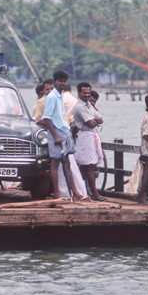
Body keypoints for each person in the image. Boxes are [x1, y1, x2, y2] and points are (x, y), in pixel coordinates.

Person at [40, 70, 85, 200]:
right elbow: (47, 118)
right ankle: (57, 194)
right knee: (55, 163)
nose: (62, 83)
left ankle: (75, 193)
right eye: (59, 81)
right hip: (56, 132)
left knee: (67, 163)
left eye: (64, 81)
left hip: (64, 131)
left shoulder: (60, 96)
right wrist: (55, 136)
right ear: (54, 82)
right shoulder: (52, 97)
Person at [70, 82, 105, 201]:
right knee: (90, 166)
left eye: (88, 93)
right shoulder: (79, 106)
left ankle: (80, 191)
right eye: (84, 93)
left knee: (84, 168)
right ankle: (95, 194)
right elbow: (91, 123)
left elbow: (101, 120)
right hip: (85, 137)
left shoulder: (88, 105)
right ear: (78, 93)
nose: (86, 95)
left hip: (91, 136)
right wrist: (95, 120)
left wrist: (94, 119)